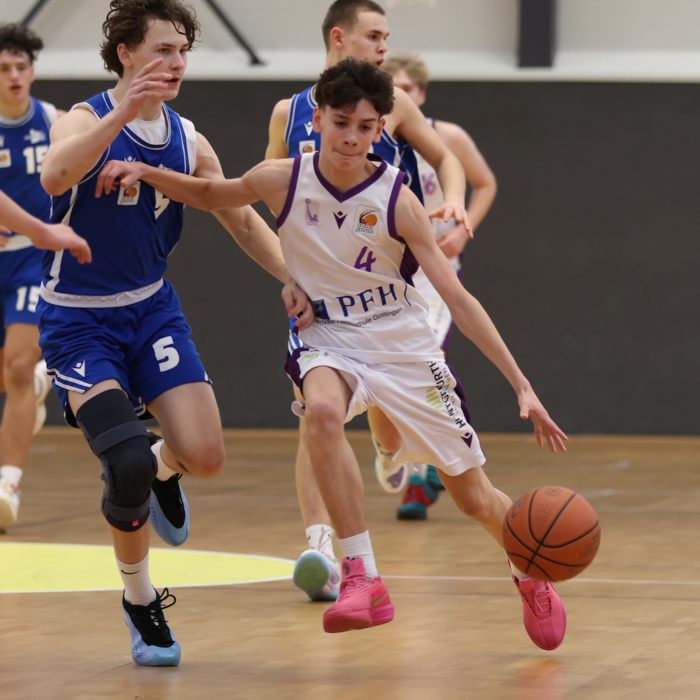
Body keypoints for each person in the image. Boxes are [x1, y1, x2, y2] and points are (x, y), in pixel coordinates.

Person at [97, 57, 571, 651]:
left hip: (401, 343)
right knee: (320, 412)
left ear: (381, 130)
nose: (351, 137)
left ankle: (527, 571)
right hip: (328, 336)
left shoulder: (397, 199)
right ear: (317, 119)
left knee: (474, 497)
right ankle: (362, 575)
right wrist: (143, 169)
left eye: (366, 127)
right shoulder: (281, 178)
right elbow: (213, 192)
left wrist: (521, 383)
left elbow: (457, 297)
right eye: (341, 122)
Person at [39, 0, 311, 667]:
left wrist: (297, 278)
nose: (176, 61)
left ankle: (166, 472)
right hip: (79, 321)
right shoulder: (84, 119)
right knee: (125, 463)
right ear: (126, 53)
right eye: (162, 49)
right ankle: (139, 599)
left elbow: (242, 219)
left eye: (183, 50)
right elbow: (54, 176)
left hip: (152, 311)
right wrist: (124, 113)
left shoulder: (189, 139)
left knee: (206, 455)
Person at [266, 0, 474, 602]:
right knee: (316, 412)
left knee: (388, 397)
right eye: (375, 35)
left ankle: (388, 444)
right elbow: (270, 199)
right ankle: (319, 549)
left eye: (387, 36)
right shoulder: (287, 113)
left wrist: (453, 199)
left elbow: (447, 158)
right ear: (340, 37)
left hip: (390, 280)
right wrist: (288, 275)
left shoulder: (394, 102)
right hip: (324, 286)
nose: (385, 46)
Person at [380, 52, 498, 520]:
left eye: (407, 89)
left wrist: (463, 226)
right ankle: (414, 459)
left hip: (435, 271)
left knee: (422, 361)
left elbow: (485, 183)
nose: (399, 96)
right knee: (396, 367)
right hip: (388, 270)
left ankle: (421, 476)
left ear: (421, 94)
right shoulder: (370, 138)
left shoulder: (447, 138)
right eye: (391, 87)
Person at [0, 24, 65, 531]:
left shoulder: (53, 121)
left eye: (21, 67)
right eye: (4, 69)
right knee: (10, 372)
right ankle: (39, 389)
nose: (14, 76)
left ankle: (8, 485)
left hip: (31, 260)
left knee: (20, 366)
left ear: (33, 71)